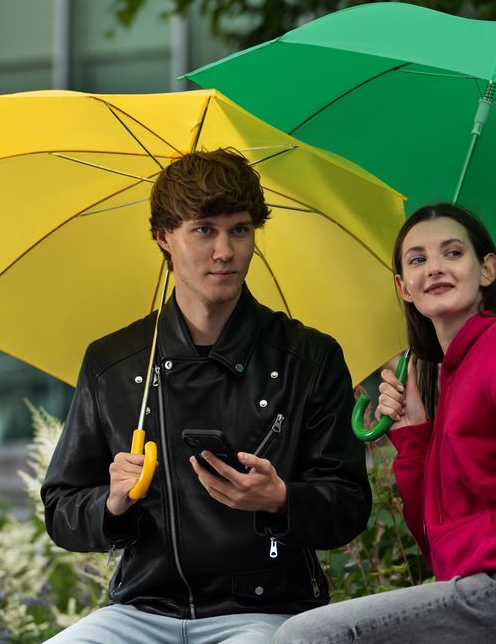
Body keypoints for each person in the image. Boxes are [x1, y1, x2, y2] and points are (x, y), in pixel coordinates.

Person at [41, 148, 372, 643]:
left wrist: (282, 499)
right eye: (204, 230)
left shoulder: (309, 357)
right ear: (163, 237)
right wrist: (110, 503)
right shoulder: (113, 362)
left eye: (239, 230)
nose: (225, 251)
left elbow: (349, 504)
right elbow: (60, 508)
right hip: (141, 610)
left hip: (267, 612)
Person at [274, 203, 496, 643]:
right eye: (417, 259)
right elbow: (441, 551)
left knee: (306, 636)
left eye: (452, 253)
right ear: (403, 287)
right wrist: (414, 439)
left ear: (487, 270)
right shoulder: (451, 375)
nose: (434, 268)